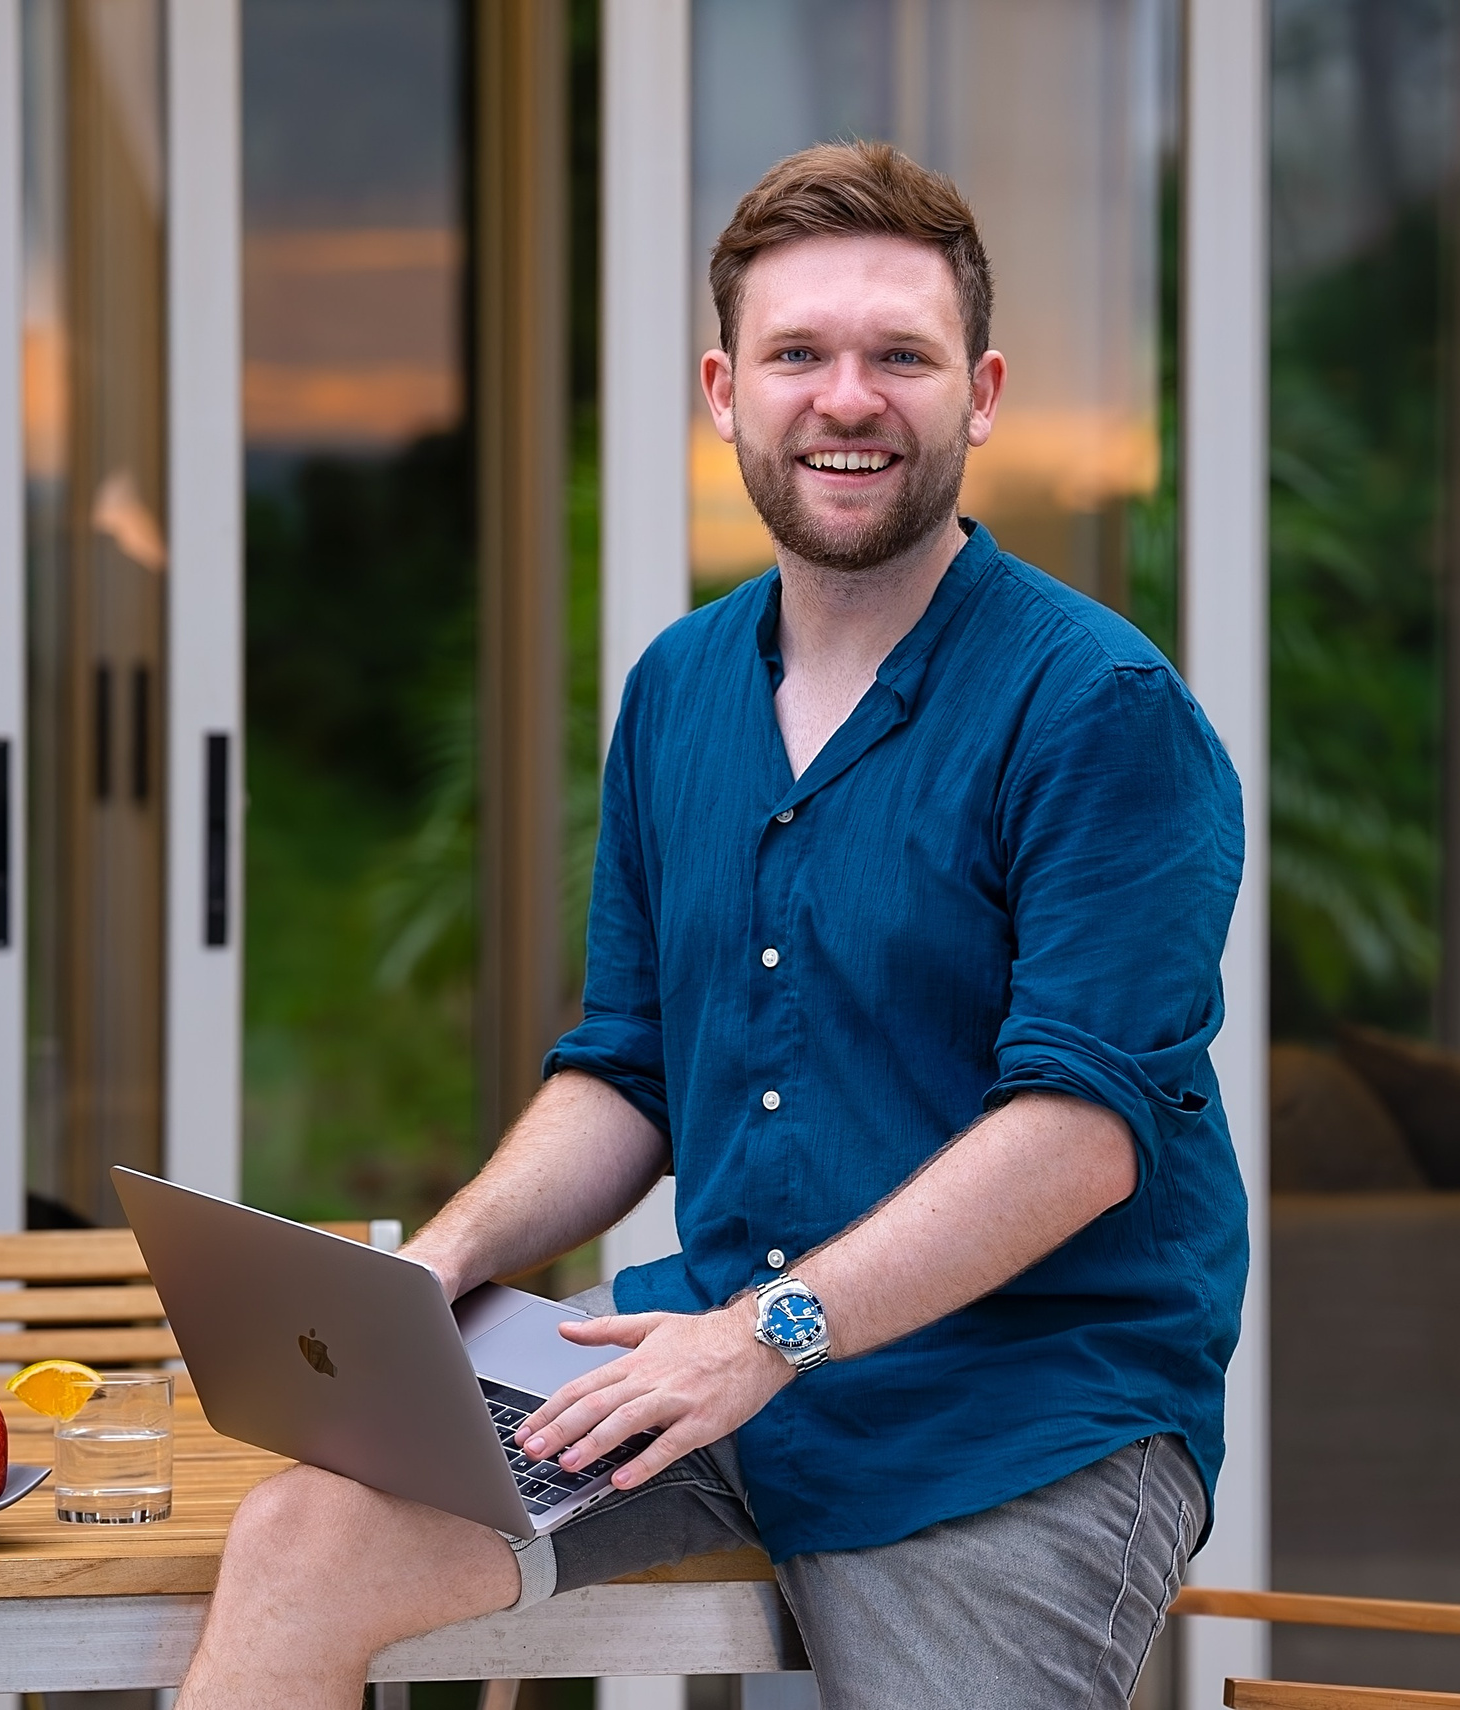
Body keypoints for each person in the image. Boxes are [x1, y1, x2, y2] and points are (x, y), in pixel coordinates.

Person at [177, 140, 1248, 1710]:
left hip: (1013, 1402)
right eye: (798, 354)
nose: (847, 399)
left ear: (982, 393)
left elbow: (1082, 1135)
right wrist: (449, 1258)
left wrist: (769, 1332)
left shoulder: (1101, 709)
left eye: (901, 356)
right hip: (700, 1352)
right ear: (725, 391)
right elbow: (630, 1069)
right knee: (300, 1543)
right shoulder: (680, 688)